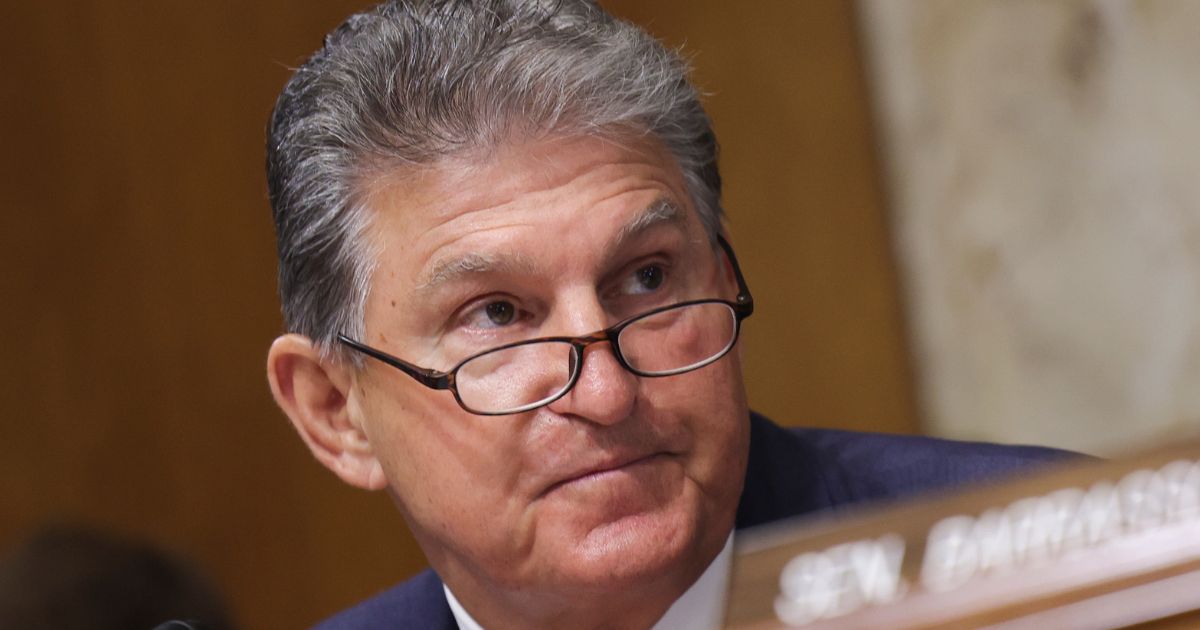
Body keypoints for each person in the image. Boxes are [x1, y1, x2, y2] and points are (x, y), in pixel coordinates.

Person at [263, 1, 1069, 628]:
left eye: (646, 278)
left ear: (718, 276)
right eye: (498, 314)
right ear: (337, 412)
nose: (608, 392)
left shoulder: (1063, 564)